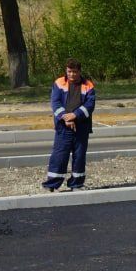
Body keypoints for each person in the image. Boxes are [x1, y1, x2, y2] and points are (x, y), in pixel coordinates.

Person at [42, 58, 95, 191]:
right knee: (59, 155)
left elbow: (89, 105)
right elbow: (55, 103)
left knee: (79, 156)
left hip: (81, 126)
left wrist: (75, 115)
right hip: (63, 126)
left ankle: (76, 184)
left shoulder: (88, 85)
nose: (72, 74)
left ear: (79, 71)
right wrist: (66, 118)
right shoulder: (59, 83)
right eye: (69, 71)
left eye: (74, 72)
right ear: (66, 70)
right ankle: (52, 184)